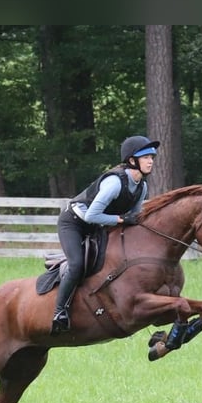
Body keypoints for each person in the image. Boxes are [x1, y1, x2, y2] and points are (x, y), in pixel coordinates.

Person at [50, 135, 160, 335]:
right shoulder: (115, 183)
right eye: (145, 157)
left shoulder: (141, 187)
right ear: (132, 160)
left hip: (99, 224)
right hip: (74, 223)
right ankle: (60, 313)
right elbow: (92, 215)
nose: (151, 160)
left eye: (152, 156)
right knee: (77, 264)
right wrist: (120, 220)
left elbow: (132, 218)